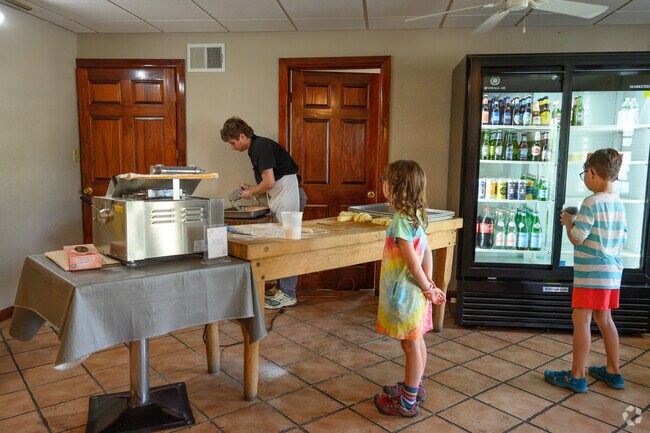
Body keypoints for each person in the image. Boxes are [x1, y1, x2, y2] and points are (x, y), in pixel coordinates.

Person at [545, 148, 626, 393]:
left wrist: (569, 222)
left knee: (581, 319)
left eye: (584, 174)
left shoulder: (591, 202)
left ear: (591, 172)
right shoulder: (618, 202)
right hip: (612, 273)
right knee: (605, 319)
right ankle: (614, 371)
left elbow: (578, 238)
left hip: (591, 273)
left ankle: (577, 376)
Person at [374, 160, 446, 417]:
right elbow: (426, 252)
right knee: (417, 342)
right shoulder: (415, 217)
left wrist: (427, 287)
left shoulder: (401, 223)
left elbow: (413, 264)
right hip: (416, 292)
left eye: (387, 180)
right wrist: (429, 283)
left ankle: (407, 402)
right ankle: (416, 387)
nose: (383, 184)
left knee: (410, 345)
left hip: (406, 294)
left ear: (395, 188)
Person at [221, 116, 301, 309]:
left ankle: (289, 294)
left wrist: (250, 192)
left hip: (287, 195)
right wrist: (252, 187)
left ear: (242, 136)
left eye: (232, 143)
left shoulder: (260, 147)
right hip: (282, 194)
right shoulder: (257, 147)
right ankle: (282, 288)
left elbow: (270, 182)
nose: (232, 147)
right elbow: (269, 181)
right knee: (281, 243)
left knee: (287, 246)